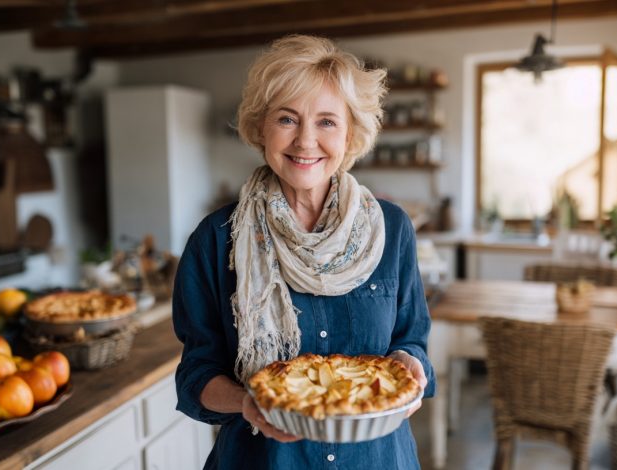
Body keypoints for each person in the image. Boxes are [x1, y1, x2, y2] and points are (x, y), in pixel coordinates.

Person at [172, 34, 435, 469]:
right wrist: (247, 402)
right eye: (287, 119)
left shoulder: (391, 228)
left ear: (351, 134)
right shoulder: (215, 239)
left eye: (327, 122)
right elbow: (195, 376)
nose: (306, 141)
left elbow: (411, 339)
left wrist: (409, 362)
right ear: (261, 127)